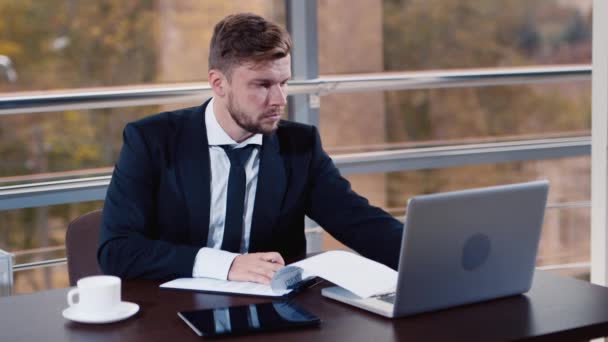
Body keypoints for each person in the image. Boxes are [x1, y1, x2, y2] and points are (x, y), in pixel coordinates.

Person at [98, 13, 403, 284]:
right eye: (262, 85)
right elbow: (118, 249)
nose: (280, 100)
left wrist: (435, 256)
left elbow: (361, 223)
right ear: (219, 83)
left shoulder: (300, 147)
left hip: (277, 316)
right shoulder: (151, 140)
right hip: (174, 313)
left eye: (284, 82)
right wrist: (226, 265)